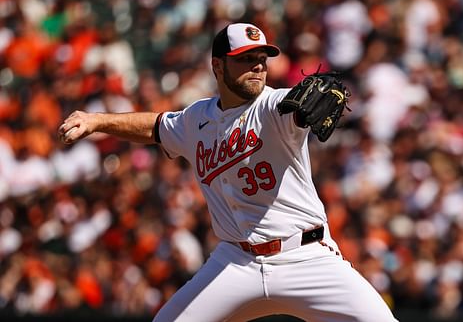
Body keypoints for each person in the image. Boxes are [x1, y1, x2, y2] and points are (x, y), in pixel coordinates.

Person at [59, 23, 399, 322]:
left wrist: (309, 104)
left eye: (262, 59)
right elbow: (156, 126)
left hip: (306, 256)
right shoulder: (197, 118)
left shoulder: (274, 106)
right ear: (217, 66)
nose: (257, 67)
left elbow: (292, 110)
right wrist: (96, 121)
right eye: (245, 59)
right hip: (237, 261)